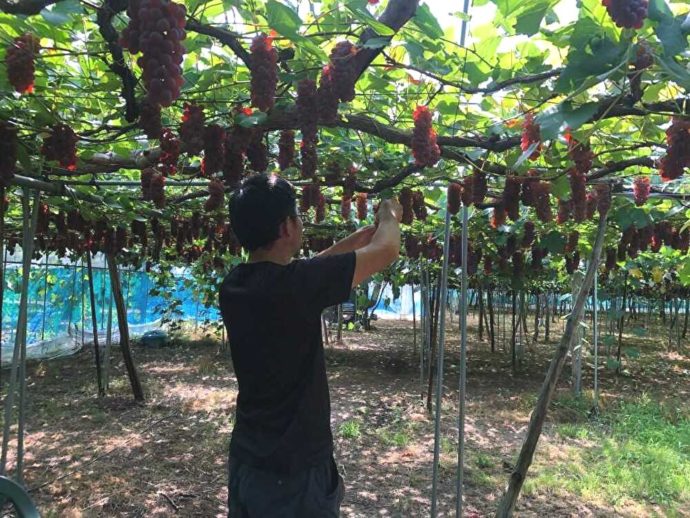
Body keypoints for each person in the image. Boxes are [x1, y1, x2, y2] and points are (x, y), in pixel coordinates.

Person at [220, 173, 402, 517]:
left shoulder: (235, 286)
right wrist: (388, 215)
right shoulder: (298, 286)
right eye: (298, 216)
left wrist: (357, 240)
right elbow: (388, 249)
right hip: (295, 472)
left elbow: (306, 271)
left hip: (248, 458)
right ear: (287, 228)